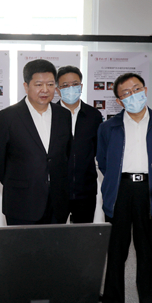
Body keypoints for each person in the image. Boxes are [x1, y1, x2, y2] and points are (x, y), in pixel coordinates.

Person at [96, 72, 152, 303]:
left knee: (147, 251)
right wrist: (118, 180)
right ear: (119, 100)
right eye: (126, 93)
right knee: (116, 252)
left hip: (150, 190)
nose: (133, 95)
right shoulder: (108, 127)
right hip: (119, 191)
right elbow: (103, 161)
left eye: (137, 89)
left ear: (145, 90)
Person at [0, 59, 72, 225]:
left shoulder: (63, 115)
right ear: (26, 86)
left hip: (57, 203)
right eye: (39, 84)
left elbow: (66, 155)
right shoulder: (7, 117)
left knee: (56, 243)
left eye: (50, 84)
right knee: (22, 244)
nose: (45, 90)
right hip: (21, 203)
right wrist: (18, 183)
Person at [56, 65, 103, 223]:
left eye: (75, 84)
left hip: (85, 190)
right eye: (65, 85)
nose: (71, 88)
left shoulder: (93, 115)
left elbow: (97, 149)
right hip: (56, 191)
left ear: (81, 86)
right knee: (52, 234)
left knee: (83, 235)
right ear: (57, 90)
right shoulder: (50, 114)